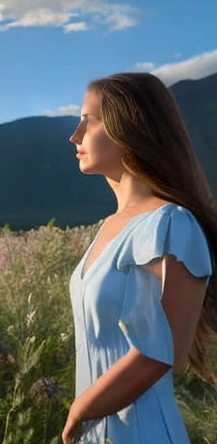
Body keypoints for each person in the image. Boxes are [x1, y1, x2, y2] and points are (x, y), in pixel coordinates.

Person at [63, 72, 217, 444]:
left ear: (127, 127)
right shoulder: (107, 227)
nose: (75, 136)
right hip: (96, 432)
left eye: (89, 120)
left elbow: (164, 354)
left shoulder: (171, 224)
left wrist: (80, 409)